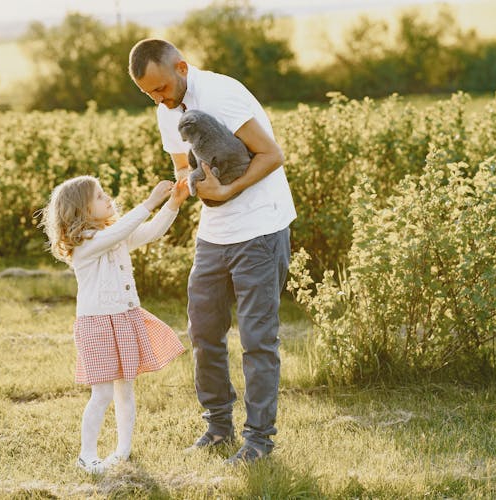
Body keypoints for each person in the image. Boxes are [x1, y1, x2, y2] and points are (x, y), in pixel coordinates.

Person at [128, 39, 297, 464]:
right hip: (214, 233)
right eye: (149, 94)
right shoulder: (166, 111)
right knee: (203, 333)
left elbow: (271, 154)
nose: (160, 100)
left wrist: (227, 189)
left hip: (260, 227)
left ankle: (258, 440)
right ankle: (218, 428)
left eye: (162, 89)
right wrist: (180, 191)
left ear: (182, 68)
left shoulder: (223, 93)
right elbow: (184, 167)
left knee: (258, 338)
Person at [40, 175, 189, 474]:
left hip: (124, 318)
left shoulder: (113, 234)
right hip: (96, 324)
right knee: (103, 393)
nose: (108, 199)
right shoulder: (84, 244)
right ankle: (87, 455)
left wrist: (173, 203)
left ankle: (123, 450)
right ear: (80, 210)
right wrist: (150, 201)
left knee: (126, 390)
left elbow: (149, 232)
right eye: (99, 196)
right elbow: (121, 230)